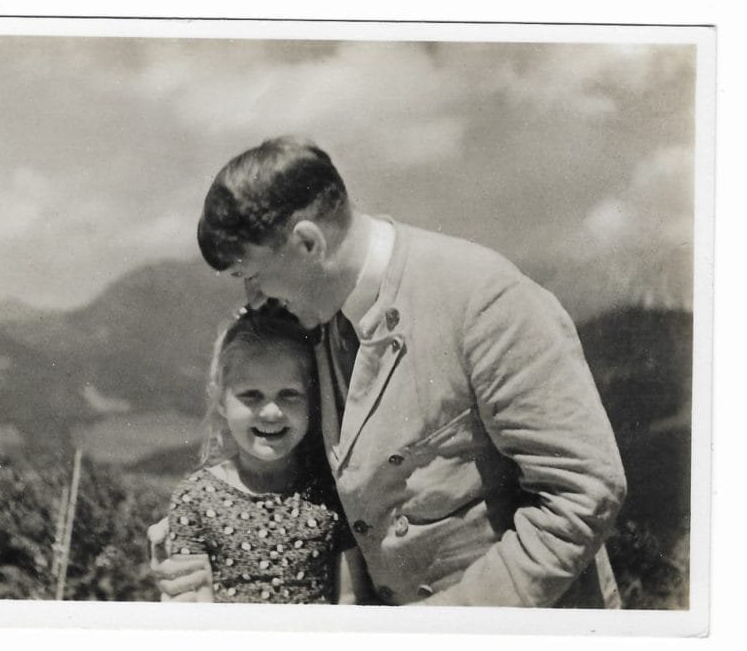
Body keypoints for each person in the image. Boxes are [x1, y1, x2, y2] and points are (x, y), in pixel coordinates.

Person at [151, 135, 627, 607]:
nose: (252, 296)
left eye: (251, 274)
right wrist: (202, 555)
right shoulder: (313, 318)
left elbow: (584, 493)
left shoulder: (484, 299)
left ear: (307, 243)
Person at [162, 302, 366, 604]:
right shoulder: (195, 499)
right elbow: (194, 610)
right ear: (221, 401)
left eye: (289, 394)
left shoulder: (332, 491)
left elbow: (351, 600)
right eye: (251, 396)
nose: (271, 412)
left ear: (311, 400)